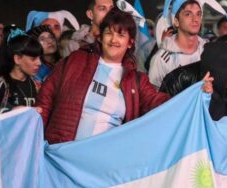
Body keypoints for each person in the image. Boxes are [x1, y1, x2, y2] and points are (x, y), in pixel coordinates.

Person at [36, 8, 169, 144]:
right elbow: (45, 98)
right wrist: (35, 139)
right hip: (61, 152)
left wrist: (190, 98)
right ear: (100, 37)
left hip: (104, 160)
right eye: (108, 33)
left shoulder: (136, 81)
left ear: (130, 43)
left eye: (121, 35)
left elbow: (158, 103)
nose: (113, 40)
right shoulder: (76, 60)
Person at [149, 0, 206, 90]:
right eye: (188, 14)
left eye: (198, 14)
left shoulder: (208, 51)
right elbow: (154, 97)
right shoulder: (161, 59)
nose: (195, 19)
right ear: (176, 21)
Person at [0, 30, 42, 110]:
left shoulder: (35, 83)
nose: (39, 63)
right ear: (17, 59)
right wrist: (12, 111)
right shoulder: (0, 85)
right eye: (33, 59)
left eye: (40, 58)